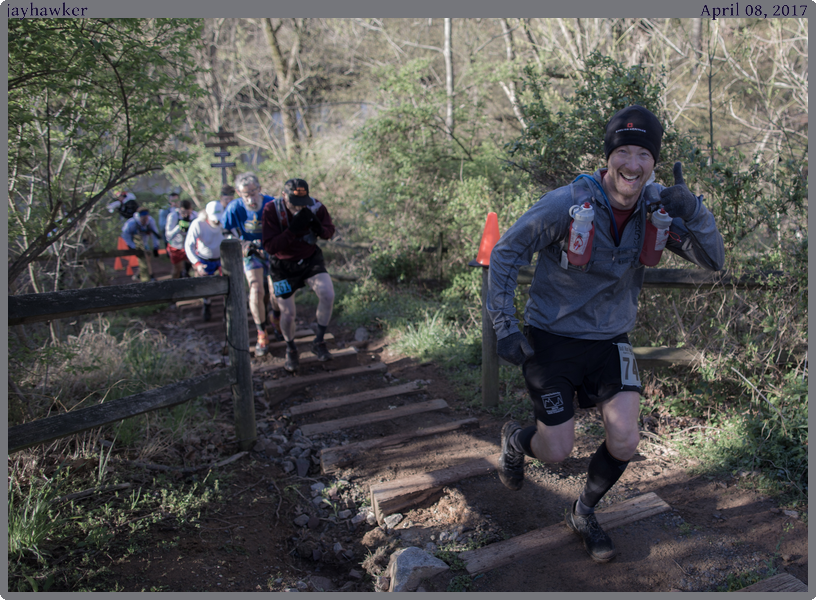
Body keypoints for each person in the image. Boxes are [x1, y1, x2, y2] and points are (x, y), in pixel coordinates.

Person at [487, 105, 725, 563]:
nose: (632, 164)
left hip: (611, 340)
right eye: (624, 151)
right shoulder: (565, 205)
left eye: (643, 154)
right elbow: (506, 253)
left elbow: (713, 260)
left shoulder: (658, 209)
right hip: (551, 336)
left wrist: (693, 209)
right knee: (556, 451)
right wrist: (505, 324)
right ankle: (517, 442)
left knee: (626, 441)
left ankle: (583, 511)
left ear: (653, 161)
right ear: (608, 156)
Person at [262, 178, 336, 372]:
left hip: (309, 259)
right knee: (288, 313)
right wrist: (293, 230)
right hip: (282, 266)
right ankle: (291, 348)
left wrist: (319, 228)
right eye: (294, 204)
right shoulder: (271, 210)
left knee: (328, 294)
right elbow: (270, 246)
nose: (298, 208)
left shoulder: (315, 206)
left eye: (302, 203)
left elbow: (329, 232)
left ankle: (318, 342)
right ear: (284, 195)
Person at [222, 172, 277, 356]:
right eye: (247, 194)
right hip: (251, 253)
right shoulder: (234, 208)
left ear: (259, 189)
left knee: (275, 291)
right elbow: (226, 231)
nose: (251, 198)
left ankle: (274, 317)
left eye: (254, 193)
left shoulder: (272, 203)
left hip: (273, 251)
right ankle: (262, 332)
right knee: (256, 289)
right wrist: (242, 244)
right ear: (239, 192)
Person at [185, 201, 225, 322]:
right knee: (205, 285)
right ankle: (206, 304)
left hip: (223, 258)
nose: (216, 222)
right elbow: (188, 245)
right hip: (204, 258)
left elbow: (235, 236)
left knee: (228, 283)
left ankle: (227, 309)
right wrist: (197, 264)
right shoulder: (198, 224)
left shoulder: (225, 222)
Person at [121, 207, 162, 282]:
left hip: (145, 242)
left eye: (146, 218)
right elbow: (125, 235)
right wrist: (132, 246)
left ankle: (138, 275)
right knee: (145, 258)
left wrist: (156, 246)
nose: (145, 221)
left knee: (146, 259)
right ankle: (149, 275)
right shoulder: (131, 223)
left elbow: (154, 234)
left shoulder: (150, 221)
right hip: (134, 243)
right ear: (139, 217)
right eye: (143, 219)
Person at [165, 199, 197, 279]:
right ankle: (174, 288)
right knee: (176, 269)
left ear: (191, 210)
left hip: (190, 245)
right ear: (179, 210)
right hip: (176, 246)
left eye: (188, 212)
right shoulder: (173, 216)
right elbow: (168, 236)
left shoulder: (195, 216)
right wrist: (179, 228)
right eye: (183, 212)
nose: (186, 215)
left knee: (196, 267)